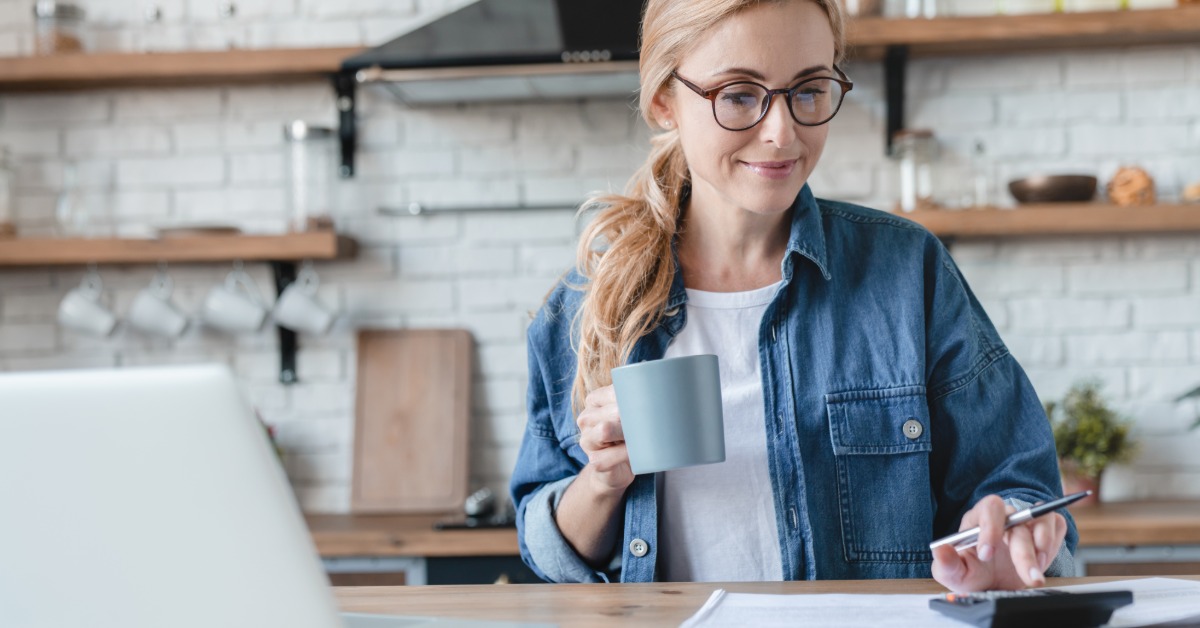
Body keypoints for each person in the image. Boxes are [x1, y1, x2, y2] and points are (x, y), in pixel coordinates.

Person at [510, 0, 1075, 591]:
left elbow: (1019, 485)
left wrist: (1013, 534)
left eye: (808, 90)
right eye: (737, 94)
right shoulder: (582, 308)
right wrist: (602, 481)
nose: (782, 133)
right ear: (663, 102)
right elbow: (547, 551)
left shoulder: (908, 272)